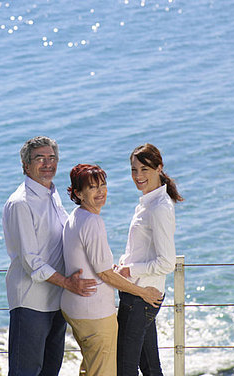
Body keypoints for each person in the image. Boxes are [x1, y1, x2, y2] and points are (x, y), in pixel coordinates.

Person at [2, 136, 97, 376]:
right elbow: (30, 260)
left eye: (52, 158)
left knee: (50, 370)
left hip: (57, 302)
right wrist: (67, 282)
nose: (47, 164)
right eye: (40, 159)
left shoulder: (52, 194)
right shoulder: (20, 203)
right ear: (26, 166)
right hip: (31, 303)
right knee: (25, 372)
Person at [61, 164, 163, 376]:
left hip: (75, 308)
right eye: (92, 188)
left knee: (90, 366)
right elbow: (104, 274)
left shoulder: (75, 216)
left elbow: (95, 266)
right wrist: (144, 293)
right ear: (78, 193)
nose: (100, 192)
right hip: (94, 313)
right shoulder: (92, 221)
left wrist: (112, 270)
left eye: (103, 185)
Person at [116, 143, 184, 376]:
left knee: (124, 368)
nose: (138, 176)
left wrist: (130, 270)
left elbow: (167, 262)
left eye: (145, 169)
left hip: (141, 298)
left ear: (159, 168)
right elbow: (142, 249)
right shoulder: (148, 203)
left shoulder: (158, 208)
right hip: (138, 294)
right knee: (150, 367)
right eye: (134, 170)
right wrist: (124, 263)